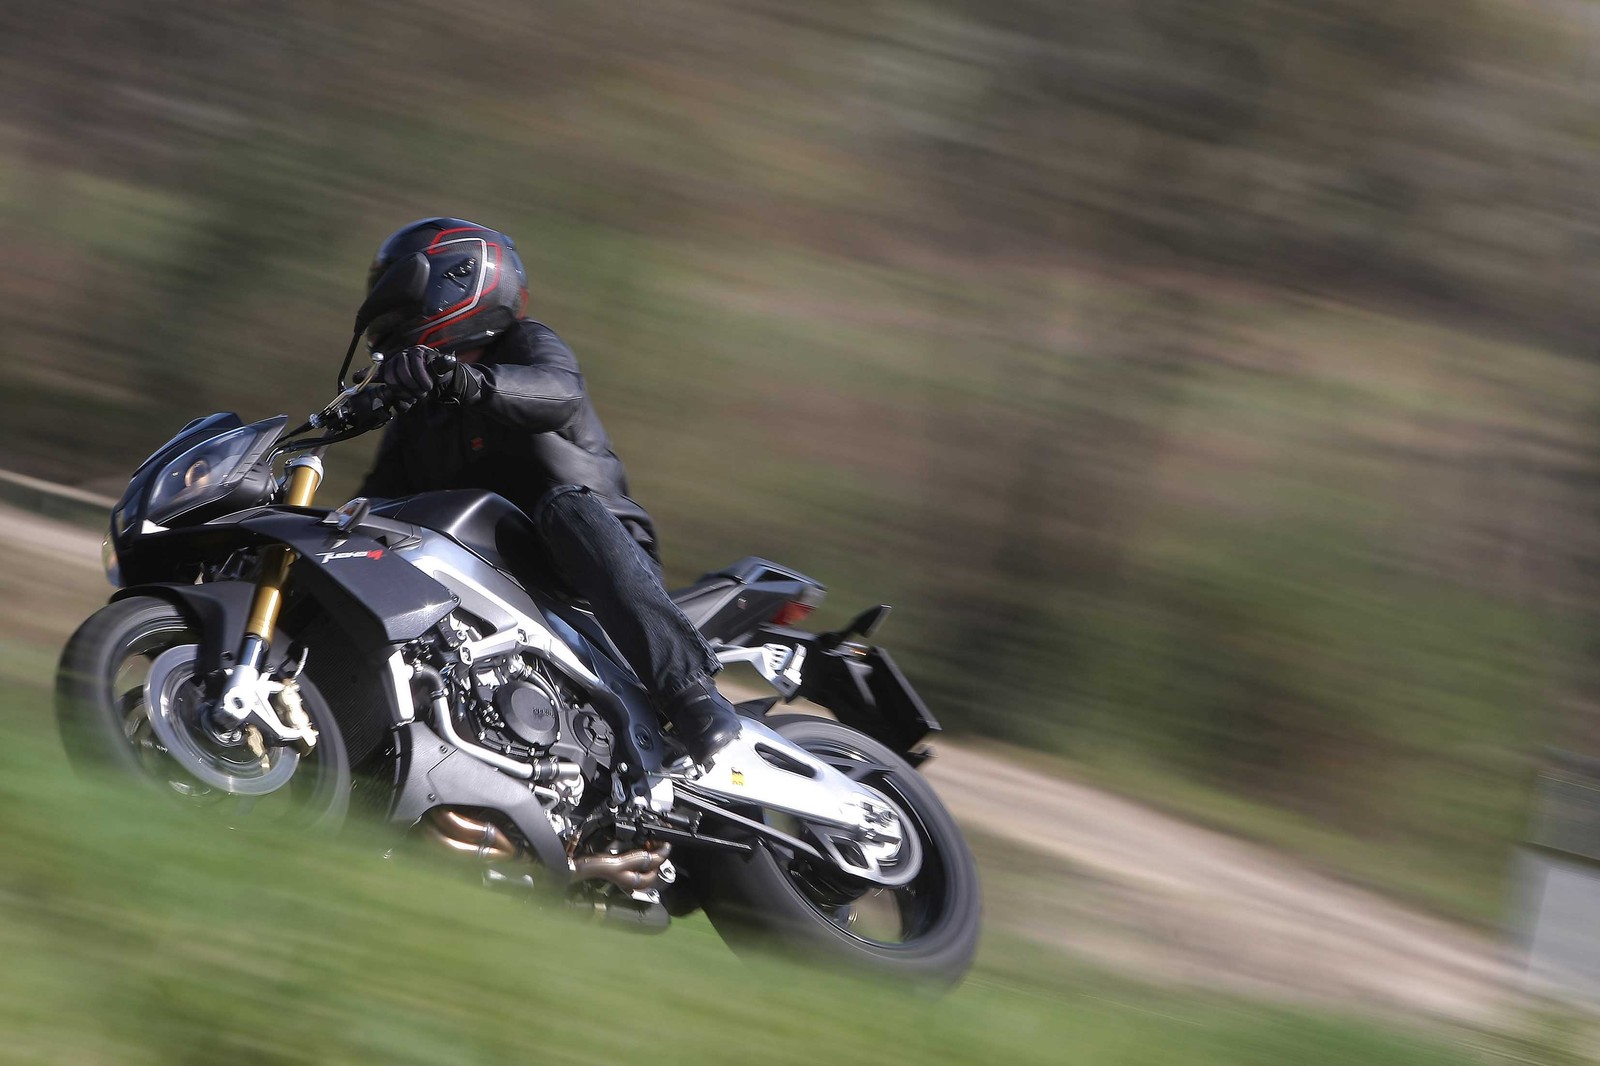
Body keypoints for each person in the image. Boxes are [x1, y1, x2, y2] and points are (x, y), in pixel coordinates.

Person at [356, 217, 741, 764]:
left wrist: (469, 382)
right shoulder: (418, 410)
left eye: (395, 298)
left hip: (591, 551)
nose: (385, 312)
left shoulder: (524, 343)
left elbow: (556, 394)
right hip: (504, 568)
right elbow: (379, 504)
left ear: (454, 284)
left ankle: (691, 694)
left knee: (562, 507)